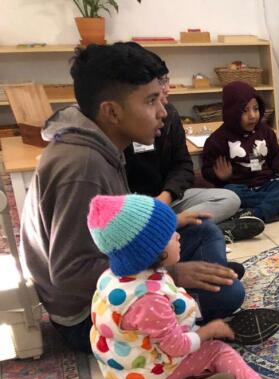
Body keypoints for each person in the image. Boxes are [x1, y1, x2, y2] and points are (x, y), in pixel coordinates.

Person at [19, 43, 251, 352]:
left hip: (116, 269)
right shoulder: (83, 166)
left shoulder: (100, 143)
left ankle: (203, 279)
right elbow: (70, 275)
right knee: (229, 294)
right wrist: (171, 274)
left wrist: (169, 222)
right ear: (112, 111)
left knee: (203, 230)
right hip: (88, 313)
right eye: (151, 101)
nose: (162, 112)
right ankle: (186, 325)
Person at [86, 194, 279, 379]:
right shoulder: (148, 300)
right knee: (217, 349)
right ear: (156, 252)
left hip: (123, 372)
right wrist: (209, 331)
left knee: (196, 338)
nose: (179, 237)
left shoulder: (113, 277)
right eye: (171, 235)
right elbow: (177, 347)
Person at [121, 44, 262, 242]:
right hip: (133, 210)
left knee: (229, 199)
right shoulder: (120, 127)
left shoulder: (169, 115)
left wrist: (166, 196)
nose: (167, 88)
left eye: (166, 80)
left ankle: (172, 229)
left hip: (167, 200)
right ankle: (193, 230)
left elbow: (183, 165)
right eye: (161, 82)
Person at [201, 81, 279, 224]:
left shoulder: (266, 131)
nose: (252, 116)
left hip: (267, 183)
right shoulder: (217, 140)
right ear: (232, 112)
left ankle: (256, 213)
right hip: (238, 187)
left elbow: (275, 154)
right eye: (245, 111)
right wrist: (219, 176)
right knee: (228, 195)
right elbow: (207, 170)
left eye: (256, 109)